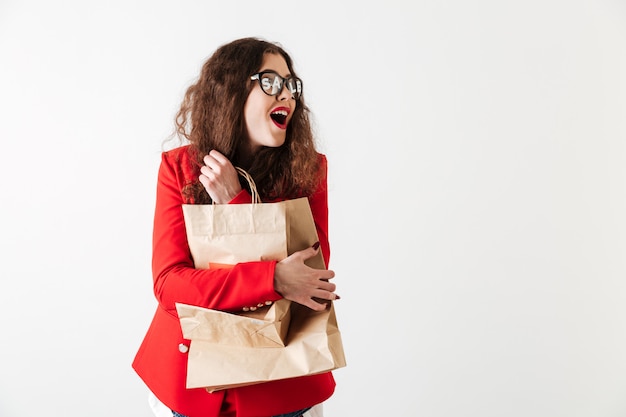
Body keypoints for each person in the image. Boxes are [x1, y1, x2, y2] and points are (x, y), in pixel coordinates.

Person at [132, 37, 339, 417]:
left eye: (291, 85)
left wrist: (235, 203)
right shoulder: (180, 169)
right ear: (231, 91)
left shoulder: (309, 171)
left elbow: (313, 280)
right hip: (187, 384)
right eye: (271, 82)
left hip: (282, 386)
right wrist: (273, 278)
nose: (288, 96)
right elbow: (169, 285)